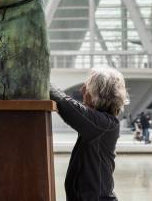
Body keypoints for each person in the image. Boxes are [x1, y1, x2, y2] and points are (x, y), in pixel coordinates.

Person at [50, 67, 128, 201]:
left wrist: (39, 78)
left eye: (86, 88)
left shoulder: (103, 124)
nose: (81, 91)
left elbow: (65, 104)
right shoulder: (103, 123)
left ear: (97, 94)